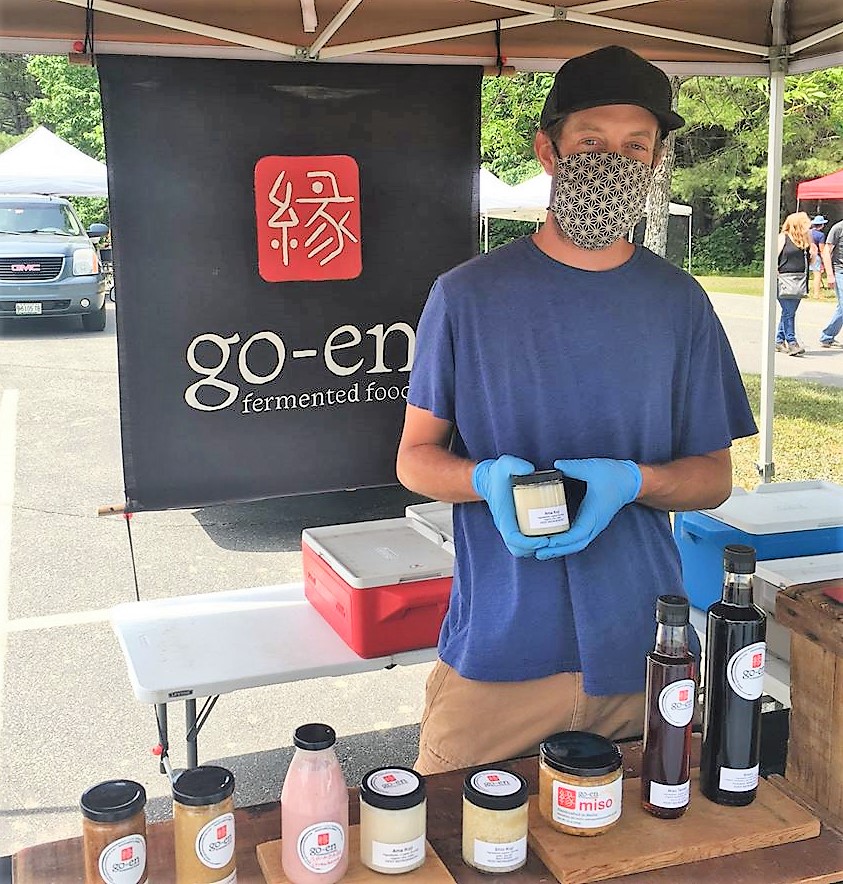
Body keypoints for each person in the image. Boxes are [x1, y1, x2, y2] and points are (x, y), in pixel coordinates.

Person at [396, 45, 757, 775]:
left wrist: (636, 482)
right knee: (453, 848)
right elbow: (414, 458)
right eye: (591, 141)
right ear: (549, 150)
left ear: (655, 163)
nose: (612, 161)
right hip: (498, 656)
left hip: (644, 651)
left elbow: (711, 476)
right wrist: (484, 480)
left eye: (635, 146)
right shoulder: (467, 295)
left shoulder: (677, 302)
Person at [775, 212, 813, 356]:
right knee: (789, 312)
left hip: (799, 280)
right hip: (784, 279)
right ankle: (792, 342)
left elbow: (811, 260)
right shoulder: (783, 238)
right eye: (805, 223)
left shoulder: (805, 239)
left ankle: (779, 340)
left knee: (788, 312)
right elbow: (774, 258)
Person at [819, 218, 843, 348]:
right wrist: (829, 274)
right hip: (840, 272)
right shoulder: (838, 228)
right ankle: (827, 336)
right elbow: (826, 252)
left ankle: (827, 337)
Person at [809, 215, 828, 299]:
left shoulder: (808, 232)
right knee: (817, 274)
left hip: (807, 254)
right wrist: (824, 260)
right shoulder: (820, 235)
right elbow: (822, 249)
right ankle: (816, 294)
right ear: (822, 225)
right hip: (816, 256)